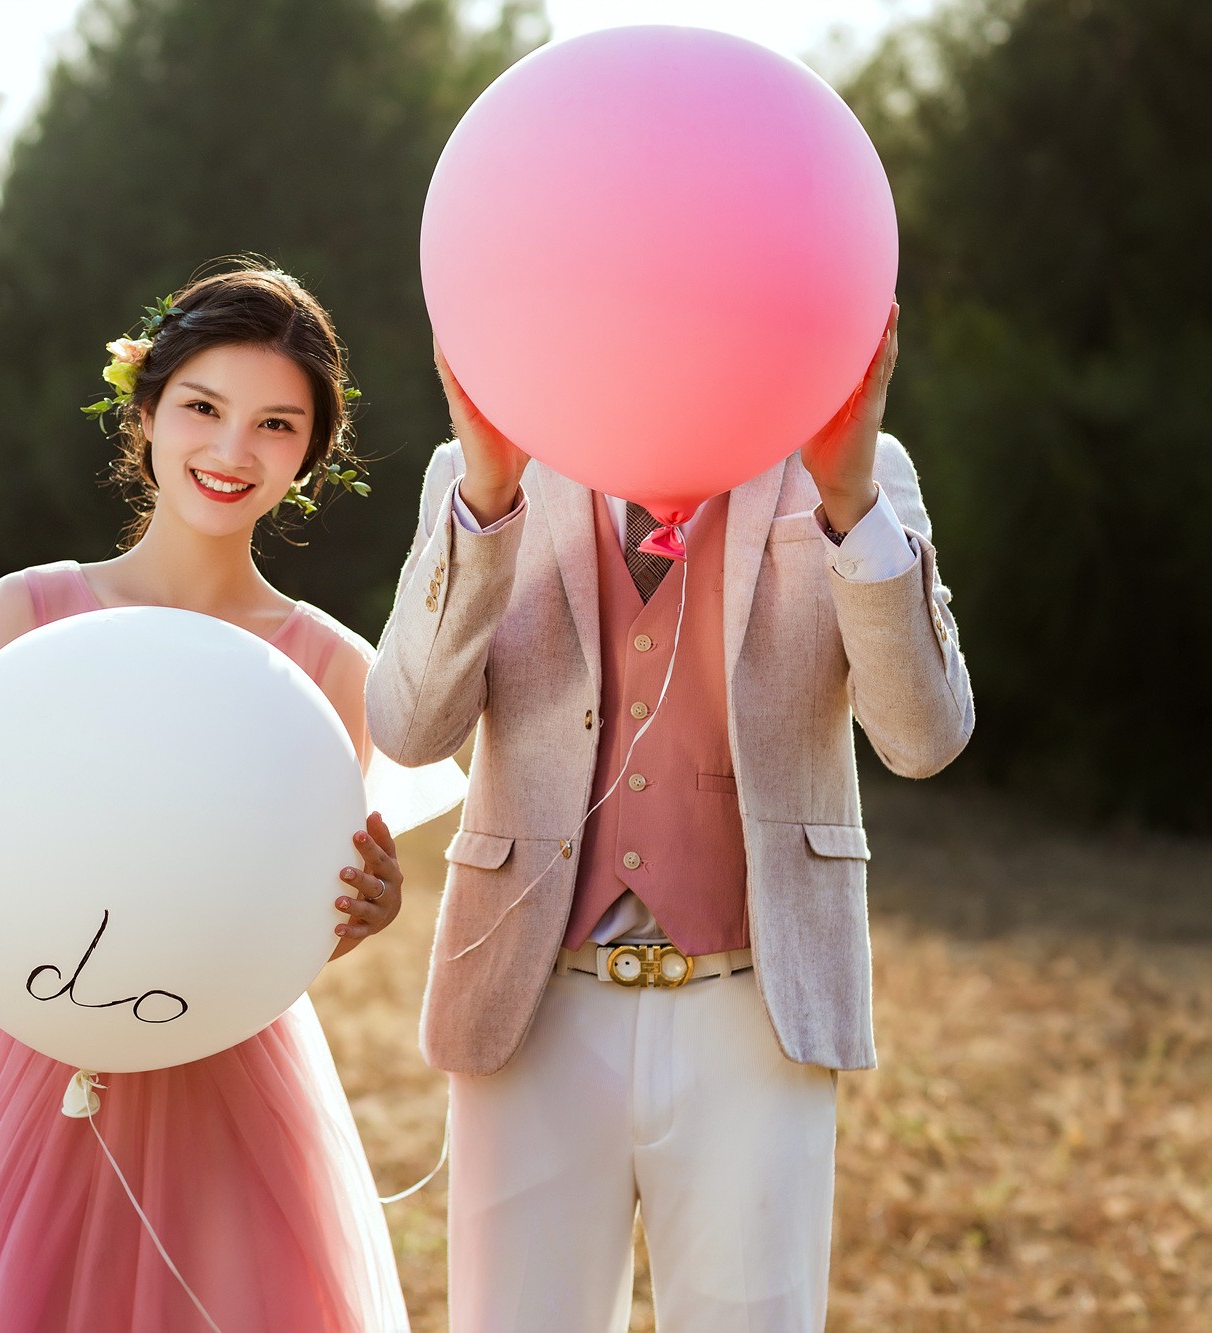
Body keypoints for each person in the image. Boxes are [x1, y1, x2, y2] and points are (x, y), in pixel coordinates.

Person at [0, 263, 462, 1333]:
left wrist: (366, 909)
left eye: (275, 424)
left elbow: (292, 902)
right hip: (35, 1060)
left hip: (234, 1073)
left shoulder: (332, 670)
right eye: (203, 408)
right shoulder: (27, 616)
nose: (231, 450)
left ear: (309, 455)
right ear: (145, 411)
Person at [367, 306, 974, 1331]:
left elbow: (924, 738)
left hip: (757, 1008)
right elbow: (411, 727)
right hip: (533, 1002)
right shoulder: (476, 469)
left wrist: (847, 502)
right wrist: (487, 499)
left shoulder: (857, 467)